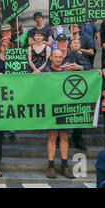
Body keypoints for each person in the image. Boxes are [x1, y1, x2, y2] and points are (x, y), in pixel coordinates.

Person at [43, 49, 75, 179]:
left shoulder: (67, 72)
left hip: (64, 107)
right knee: (52, 136)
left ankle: (64, 165)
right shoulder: (45, 72)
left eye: (60, 57)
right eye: (55, 57)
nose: (58, 59)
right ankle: (51, 166)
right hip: (51, 107)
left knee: (64, 136)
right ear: (50, 58)